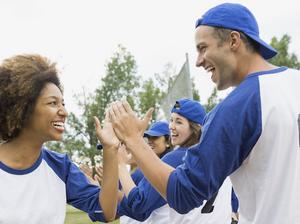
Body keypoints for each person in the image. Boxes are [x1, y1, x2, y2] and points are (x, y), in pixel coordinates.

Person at [106, 3, 300, 224]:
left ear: (233, 41)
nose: (198, 61)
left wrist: (133, 139)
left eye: (203, 47)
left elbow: (183, 194)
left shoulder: (241, 103)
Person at [0, 54, 118, 223]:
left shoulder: (61, 167)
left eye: (63, 103)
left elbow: (105, 211)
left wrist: (111, 149)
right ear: (23, 108)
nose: (64, 112)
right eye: (53, 103)